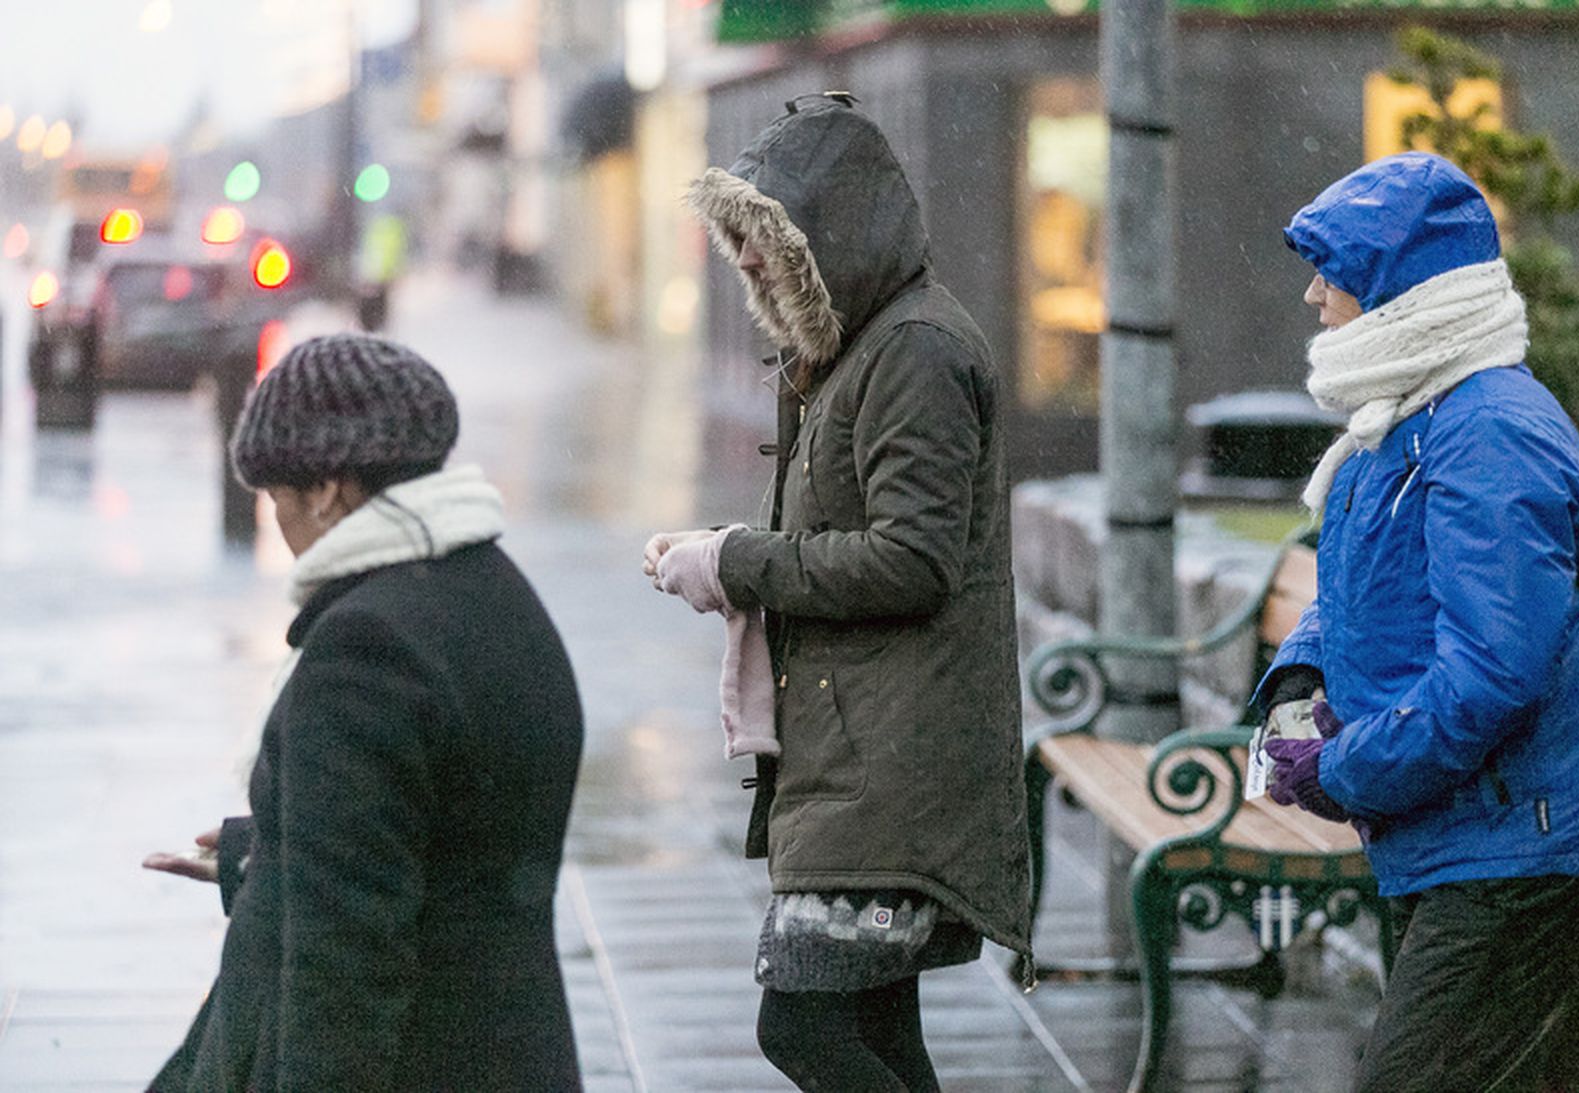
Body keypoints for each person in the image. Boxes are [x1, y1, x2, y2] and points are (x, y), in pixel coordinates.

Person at [643, 93, 1032, 1092]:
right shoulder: (852, 350)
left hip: (893, 767)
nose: (744, 260)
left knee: (804, 1027)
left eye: (763, 237)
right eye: (734, 237)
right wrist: (736, 555)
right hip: (863, 751)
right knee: (873, 1033)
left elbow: (912, 560)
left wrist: (736, 559)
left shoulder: (910, 352)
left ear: (828, 240)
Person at [1256, 152, 1579, 1091]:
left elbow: (1493, 674)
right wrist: (1301, 679)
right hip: (1466, 824)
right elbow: (1358, 586)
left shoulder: (1486, 430)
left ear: (1401, 291)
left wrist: (1341, 768)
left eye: (1334, 273)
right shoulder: (1405, 419)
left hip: (1522, 837)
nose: (1313, 295)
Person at [146, 333, 585, 1091]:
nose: (277, 525)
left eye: (276, 497)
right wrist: (277, 848)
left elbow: (343, 971)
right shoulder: (496, 594)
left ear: (328, 490)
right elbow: (456, 837)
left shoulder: (362, 650)